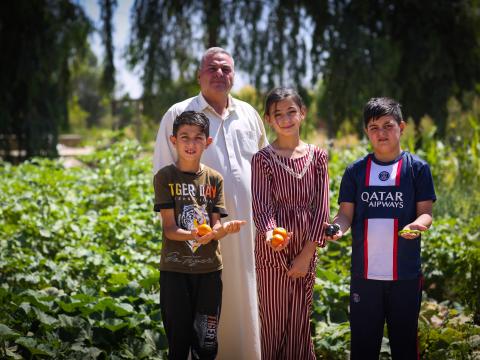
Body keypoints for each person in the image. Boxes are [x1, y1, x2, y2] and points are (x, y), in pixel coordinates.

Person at [153, 47, 267, 359]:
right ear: (199, 74)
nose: (219, 74)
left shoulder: (249, 114)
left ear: (234, 75)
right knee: (200, 322)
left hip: (245, 230)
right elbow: (164, 173)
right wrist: (186, 233)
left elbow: (265, 168)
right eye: (212, 68)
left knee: (243, 301)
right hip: (197, 238)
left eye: (226, 69)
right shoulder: (179, 114)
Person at [324, 97, 436, 359]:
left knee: (405, 346)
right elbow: (344, 216)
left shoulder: (417, 169)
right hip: (365, 276)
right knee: (363, 348)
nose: (381, 133)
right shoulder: (355, 171)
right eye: (374, 127)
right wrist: (336, 228)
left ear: (402, 127)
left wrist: (417, 225)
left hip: (405, 275)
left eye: (388, 125)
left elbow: (426, 214)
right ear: (366, 132)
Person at [154, 111, 246, 359]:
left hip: (209, 272)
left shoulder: (215, 179)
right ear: (173, 140)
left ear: (208, 142)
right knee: (178, 341)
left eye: (198, 138)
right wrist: (194, 234)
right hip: (174, 271)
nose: (191, 143)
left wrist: (224, 230)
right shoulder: (164, 177)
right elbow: (170, 230)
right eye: (184, 137)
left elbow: (215, 227)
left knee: (206, 343)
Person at [251, 87, 330, 359]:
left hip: (306, 246)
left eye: (291, 111)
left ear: (302, 114)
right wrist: (272, 234)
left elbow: (322, 209)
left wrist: (307, 254)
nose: (285, 118)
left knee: (299, 322)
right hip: (272, 248)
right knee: (272, 322)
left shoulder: (318, 156)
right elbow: (261, 206)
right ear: (268, 119)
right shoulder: (262, 159)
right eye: (278, 114)